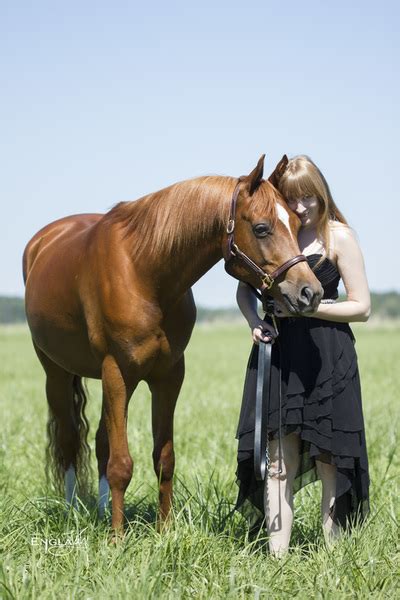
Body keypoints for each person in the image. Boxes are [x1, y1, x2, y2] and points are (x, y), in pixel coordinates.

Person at [235, 155, 370, 556]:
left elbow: (361, 307)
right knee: (279, 462)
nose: (300, 207)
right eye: (292, 199)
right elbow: (245, 285)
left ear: (321, 193)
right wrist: (251, 320)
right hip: (279, 355)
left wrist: (312, 308)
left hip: (329, 356)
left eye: (307, 198)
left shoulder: (339, 237)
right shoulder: (283, 233)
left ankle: (331, 560)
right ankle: (278, 559)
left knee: (329, 460)